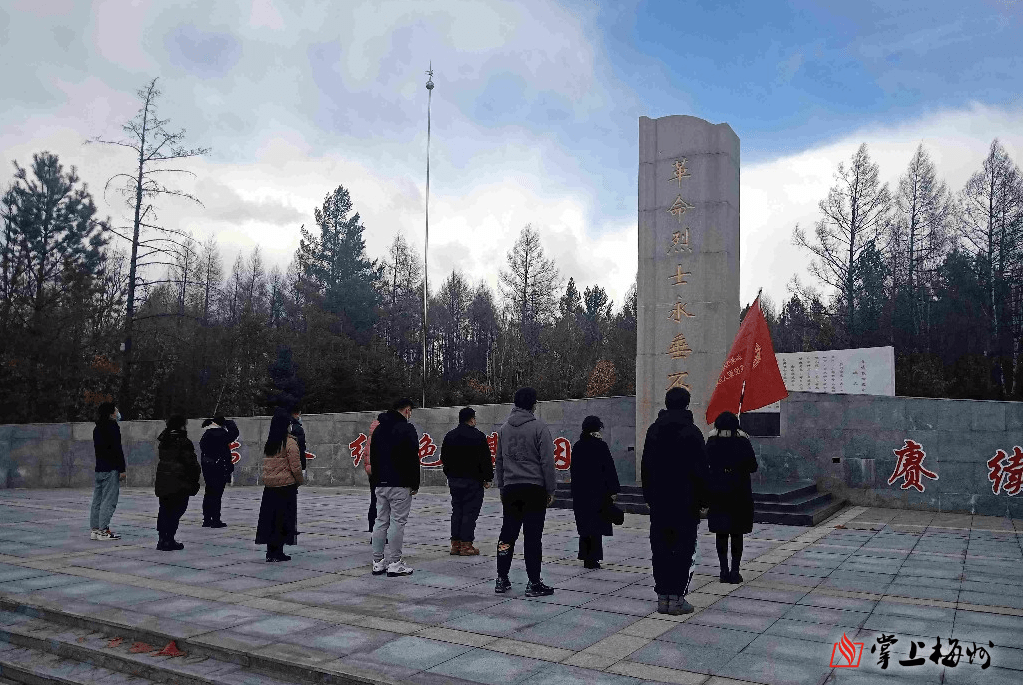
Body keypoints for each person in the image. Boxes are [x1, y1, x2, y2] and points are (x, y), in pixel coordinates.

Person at [641, 387, 710, 616]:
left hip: (660, 502)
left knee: (660, 548)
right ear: (687, 404)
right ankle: (677, 599)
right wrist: (703, 501)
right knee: (683, 548)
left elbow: (646, 468)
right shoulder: (692, 432)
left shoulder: (654, 430)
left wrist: (649, 497)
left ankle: (663, 598)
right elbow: (701, 470)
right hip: (685, 502)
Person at [494, 387, 556, 597]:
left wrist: (502, 487)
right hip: (534, 489)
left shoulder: (504, 429)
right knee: (532, 537)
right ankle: (534, 582)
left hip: (511, 489)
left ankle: (501, 578)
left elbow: (499, 462)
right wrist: (550, 488)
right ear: (533, 404)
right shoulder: (539, 427)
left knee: (507, 535)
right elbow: (547, 461)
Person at [706, 411, 758, 584]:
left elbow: (706, 462)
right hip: (739, 492)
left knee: (721, 533)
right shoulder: (742, 441)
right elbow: (753, 466)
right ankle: (735, 571)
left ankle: (723, 570)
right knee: (737, 533)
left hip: (718, 492)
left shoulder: (712, 441)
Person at [370, 398, 420, 577]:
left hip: (380, 483)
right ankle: (395, 563)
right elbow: (413, 458)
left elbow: (373, 457)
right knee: (397, 522)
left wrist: (376, 480)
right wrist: (415, 484)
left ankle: (377, 562)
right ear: (407, 410)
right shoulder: (407, 429)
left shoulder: (378, 429)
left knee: (380, 520)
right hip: (400, 483)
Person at [440, 406, 494, 556]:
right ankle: (466, 545)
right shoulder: (478, 436)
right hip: (473, 481)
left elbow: (444, 458)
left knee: (457, 511)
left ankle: (455, 544)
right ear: (471, 419)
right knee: (469, 512)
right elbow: (485, 460)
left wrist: (449, 473)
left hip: (455, 480)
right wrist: (487, 478)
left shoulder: (450, 436)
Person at [570, 415, 621, 570]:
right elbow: (609, 469)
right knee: (596, 526)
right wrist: (613, 490)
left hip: (582, 493)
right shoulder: (600, 445)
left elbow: (574, 471)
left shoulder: (578, 446)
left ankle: (585, 556)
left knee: (585, 525)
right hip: (598, 493)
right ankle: (593, 558)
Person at [256, 407, 304, 562]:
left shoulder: (271, 443)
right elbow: (295, 466)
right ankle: (279, 552)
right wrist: (299, 480)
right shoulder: (289, 442)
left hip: (270, 488)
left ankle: (270, 552)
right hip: (285, 487)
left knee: (270, 520)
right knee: (283, 520)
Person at [154, 415, 201, 551]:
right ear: (182, 425)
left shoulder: (165, 440)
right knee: (177, 510)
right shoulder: (183, 441)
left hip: (164, 480)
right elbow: (191, 463)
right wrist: (194, 477)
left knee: (164, 509)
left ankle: (163, 539)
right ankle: (169, 539)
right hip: (179, 481)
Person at [90, 402, 125, 540]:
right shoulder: (112, 427)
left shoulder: (97, 428)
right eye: (116, 411)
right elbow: (117, 449)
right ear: (111, 414)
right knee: (108, 500)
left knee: (97, 500)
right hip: (111, 468)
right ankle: (104, 530)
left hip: (99, 468)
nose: (117, 413)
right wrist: (122, 469)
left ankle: (95, 529)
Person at [199, 415, 240, 528]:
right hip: (219, 467)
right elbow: (234, 433)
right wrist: (229, 422)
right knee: (217, 494)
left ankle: (207, 519)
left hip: (208, 467)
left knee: (209, 493)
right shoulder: (220, 434)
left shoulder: (206, 434)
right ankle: (216, 519)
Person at [364, 411, 387, 533]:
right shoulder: (381, 435)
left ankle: (371, 526)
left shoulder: (370, 436)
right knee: (382, 503)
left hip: (372, 473)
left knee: (374, 500)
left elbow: (366, 458)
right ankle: (378, 529)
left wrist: (369, 470)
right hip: (379, 474)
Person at [290, 405, 308, 474]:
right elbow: (301, 447)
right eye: (299, 415)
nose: (300, 417)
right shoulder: (298, 429)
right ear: (296, 415)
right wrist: (303, 467)